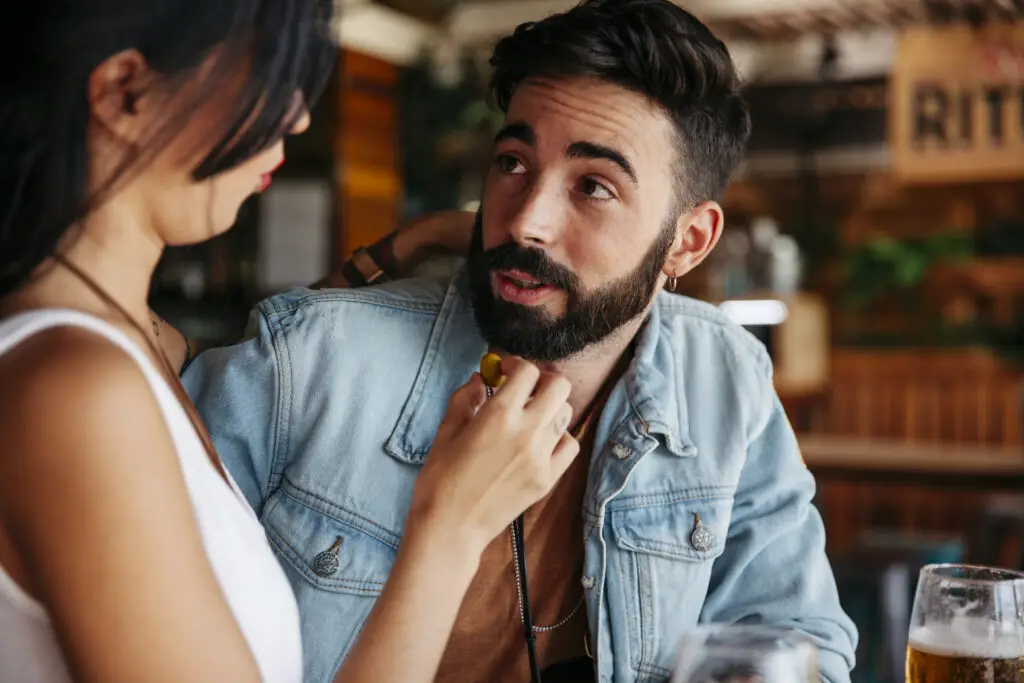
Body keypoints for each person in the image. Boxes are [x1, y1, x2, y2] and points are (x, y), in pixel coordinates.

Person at [186, 1, 859, 682]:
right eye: (512, 162)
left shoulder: (725, 379)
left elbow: (801, 637)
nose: (526, 221)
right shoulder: (307, 364)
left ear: (687, 241)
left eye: (593, 186)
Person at [0, 2, 580, 682]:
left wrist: (414, 242)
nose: (298, 116)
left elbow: (286, 333)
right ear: (125, 90)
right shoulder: (77, 391)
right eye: (266, 76)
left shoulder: (130, 337)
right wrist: (450, 526)